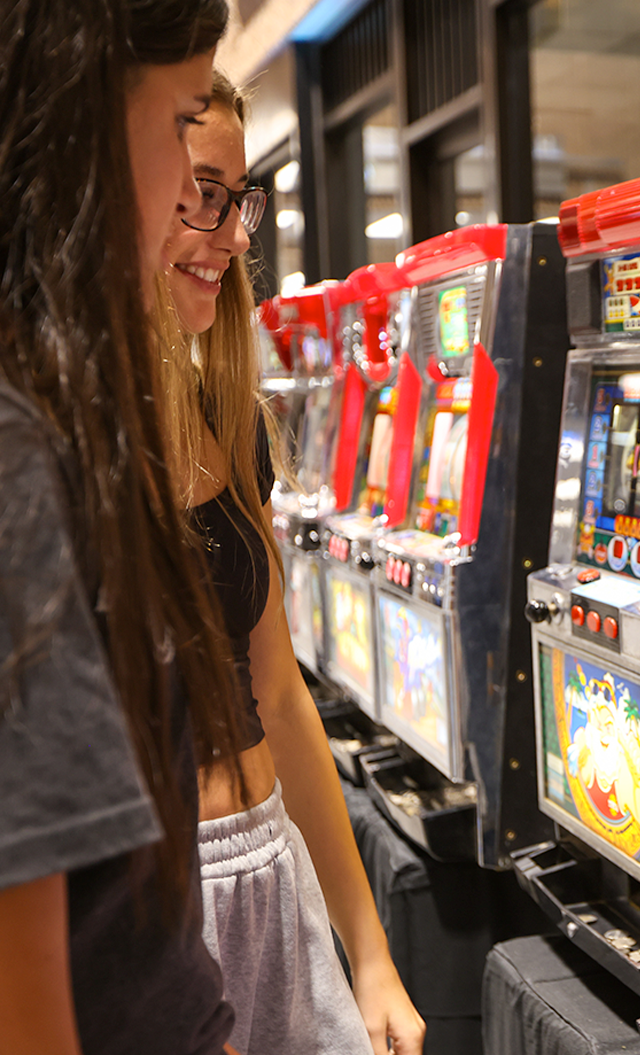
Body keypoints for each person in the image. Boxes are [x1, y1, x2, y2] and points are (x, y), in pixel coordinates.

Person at [0, 0, 250, 1053]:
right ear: (83, 129)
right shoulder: (20, 449)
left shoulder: (63, 419)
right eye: (177, 121)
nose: (207, 226)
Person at [161, 71, 425, 1055]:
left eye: (244, 200)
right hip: (160, 904)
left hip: (268, 865)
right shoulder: (66, 446)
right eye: (204, 192)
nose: (235, 236)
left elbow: (277, 690)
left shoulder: (230, 417)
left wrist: (372, 954)